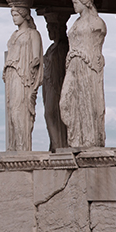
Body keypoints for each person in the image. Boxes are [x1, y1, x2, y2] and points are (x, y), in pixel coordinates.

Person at [60, 0, 107, 148]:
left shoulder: (97, 23)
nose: (74, 5)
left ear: (85, 1)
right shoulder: (76, 23)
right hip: (73, 65)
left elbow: (97, 49)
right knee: (66, 102)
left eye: (76, 2)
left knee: (87, 101)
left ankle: (89, 140)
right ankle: (76, 138)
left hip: (87, 66)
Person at [3, 6, 43, 151]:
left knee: (19, 110)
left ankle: (23, 147)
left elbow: (36, 58)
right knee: (12, 110)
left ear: (24, 15)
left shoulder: (33, 34)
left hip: (24, 76)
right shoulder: (13, 35)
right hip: (12, 75)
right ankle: (14, 146)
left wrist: (33, 64)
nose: (14, 18)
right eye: (12, 15)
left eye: (16, 14)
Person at [42, 12, 70, 151]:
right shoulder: (52, 48)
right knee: (50, 113)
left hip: (58, 85)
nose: (50, 32)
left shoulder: (64, 46)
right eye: (48, 29)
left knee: (51, 113)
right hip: (49, 84)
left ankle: (59, 144)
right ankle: (55, 144)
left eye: (52, 29)